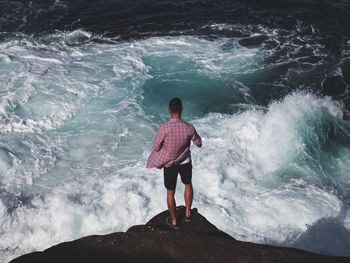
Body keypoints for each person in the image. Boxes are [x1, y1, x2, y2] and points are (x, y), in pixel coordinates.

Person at [146, 97, 202, 229]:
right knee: (188, 184)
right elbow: (198, 143)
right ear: (182, 109)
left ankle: (174, 221)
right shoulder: (189, 127)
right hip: (185, 161)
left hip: (170, 164)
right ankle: (188, 213)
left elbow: (156, 147)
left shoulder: (164, 128)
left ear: (169, 111)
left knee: (170, 192)